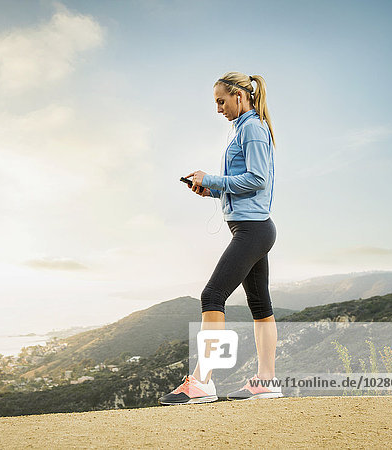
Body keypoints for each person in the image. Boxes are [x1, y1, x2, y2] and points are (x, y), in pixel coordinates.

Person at [158, 71, 282, 405]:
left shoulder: (252, 129)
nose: (218, 108)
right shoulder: (243, 129)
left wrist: (213, 178)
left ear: (240, 96)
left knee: (212, 295)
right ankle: (267, 381)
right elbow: (241, 186)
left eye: (221, 101)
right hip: (252, 227)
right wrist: (210, 190)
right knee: (260, 305)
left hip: (253, 230)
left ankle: (202, 382)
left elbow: (257, 179)